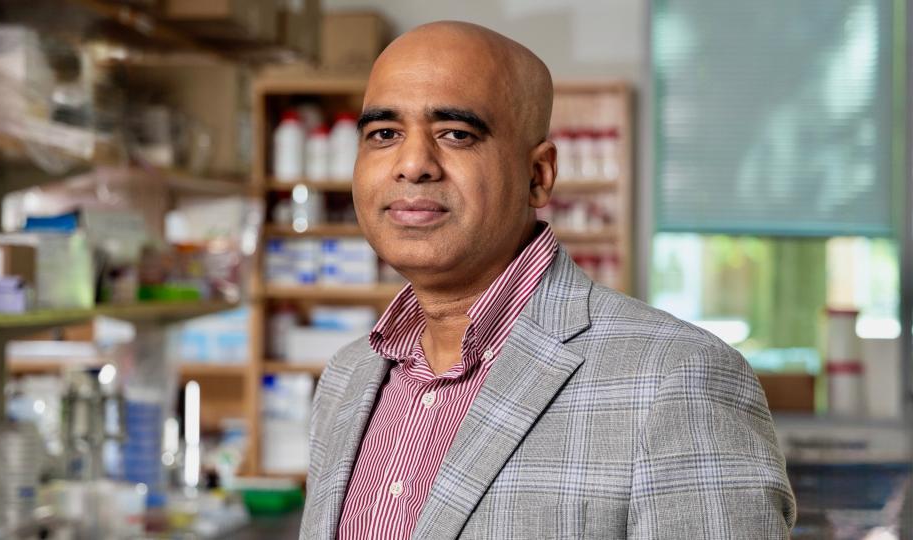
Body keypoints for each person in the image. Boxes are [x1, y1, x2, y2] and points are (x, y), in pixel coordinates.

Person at [299, 21, 796, 539]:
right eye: (384, 134)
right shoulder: (347, 376)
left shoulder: (677, 378)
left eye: (457, 134)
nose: (414, 164)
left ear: (538, 175)